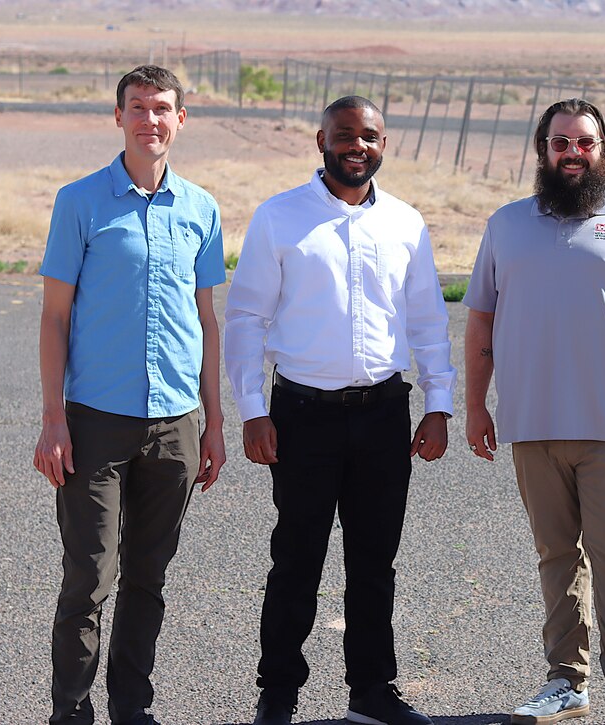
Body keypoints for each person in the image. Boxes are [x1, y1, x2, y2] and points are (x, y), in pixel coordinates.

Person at [224, 95, 455, 725]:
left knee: (374, 562)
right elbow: (245, 316)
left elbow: (429, 320)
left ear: (385, 144)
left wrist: (439, 405)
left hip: (384, 414)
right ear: (320, 141)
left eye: (369, 136)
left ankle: (372, 693)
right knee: (297, 557)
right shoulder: (280, 218)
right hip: (301, 416)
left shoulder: (406, 224)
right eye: (345, 135)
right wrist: (251, 410)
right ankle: (278, 693)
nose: (357, 146)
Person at [464, 98, 605, 725]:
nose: (573, 152)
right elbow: (481, 316)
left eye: (585, 142)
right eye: (560, 142)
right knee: (556, 557)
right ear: (542, 151)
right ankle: (566, 682)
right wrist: (476, 405)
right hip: (531, 426)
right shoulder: (507, 225)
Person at [33, 64, 227, 725]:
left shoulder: (201, 209)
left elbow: (206, 320)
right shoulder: (80, 202)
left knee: (149, 576)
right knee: (88, 576)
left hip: (176, 423)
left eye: (163, 108)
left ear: (181, 120)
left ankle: (132, 707)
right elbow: (54, 316)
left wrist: (216, 424)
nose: (151, 119)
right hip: (95, 422)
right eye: (138, 107)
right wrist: (52, 418)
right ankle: (72, 710)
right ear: (119, 117)